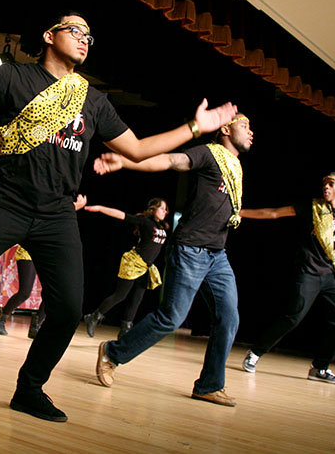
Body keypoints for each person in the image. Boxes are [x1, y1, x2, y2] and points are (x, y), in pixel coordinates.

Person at [0, 1, 237, 422]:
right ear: (48, 36)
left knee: (69, 309)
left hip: (56, 213)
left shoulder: (93, 100)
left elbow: (138, 149)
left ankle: (30, 388)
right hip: (4, 201)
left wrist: (195, 128)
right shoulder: (14, 77)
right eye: (76, 30)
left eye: (90, 37)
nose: (85, 40)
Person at [94, 114, 253, 408]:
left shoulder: (236, 167)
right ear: (226, 129)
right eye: (245, 126)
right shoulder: (208, 154)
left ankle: (209, 385)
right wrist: (127, 162)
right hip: (190, 250)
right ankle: (111, 353)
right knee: (171, 318)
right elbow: (169, 160)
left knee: (229, 318)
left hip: (218, 255)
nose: (251, 132)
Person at [240, 172, 335, 385]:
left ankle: (320, 368)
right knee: (293, 316)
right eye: (324, 183)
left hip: (329, 276)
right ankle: (255, 352)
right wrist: (241, 212)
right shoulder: (312, 207)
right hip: (307, 272)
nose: (326, 187)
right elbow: (274, 214)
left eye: (331, 184)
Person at [0, 194, 87, 339]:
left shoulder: (60, 199)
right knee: (25, 291)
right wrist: (77, 206)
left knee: (51, 291)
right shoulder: (39, 200)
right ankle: (1, 319)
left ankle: (36, 325)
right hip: (28, 250)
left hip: (48, 250)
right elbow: (51, 212)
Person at [83, 197, 169, 339]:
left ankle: (125, 332)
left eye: (166, 210)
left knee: (136, 299)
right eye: (162, 208)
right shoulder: (145, 222)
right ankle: (93, 317)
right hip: (133, 262)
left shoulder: (162, 227)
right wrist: (99, 208)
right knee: (120, 295)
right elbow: (121, 215)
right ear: (153, 208)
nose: (164, 212)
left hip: (146, 267)